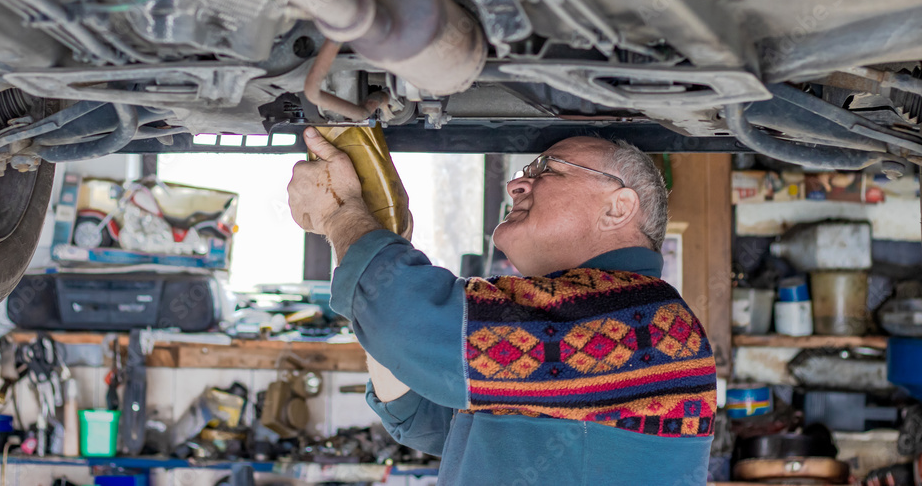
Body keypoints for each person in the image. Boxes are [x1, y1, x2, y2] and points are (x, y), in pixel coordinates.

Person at [287, 130, 716, 486]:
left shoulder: (640, 323)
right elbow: (427, 418)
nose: (516, 185)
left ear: (618, 207)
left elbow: (413, 326)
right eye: (523, 172)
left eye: (546, 170)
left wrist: (342, 215)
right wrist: (371, 240)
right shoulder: (567, 321)